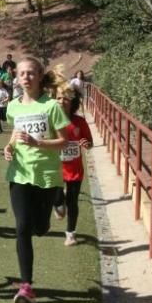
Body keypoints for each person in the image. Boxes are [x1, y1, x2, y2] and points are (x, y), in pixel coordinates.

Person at [3, 58, 69, 303]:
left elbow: (64, 141)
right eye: (22, 74)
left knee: (39, 228)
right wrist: (9, 147)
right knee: (21, 227)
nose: (26, 77)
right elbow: (15, 134)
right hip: (19, 173)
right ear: (17, 78)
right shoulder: (12, 107)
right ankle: (26, 285)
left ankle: (50, 213)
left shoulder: (52, 106)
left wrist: (38, 143)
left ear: (40, 76)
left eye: (31, 73)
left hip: (47, 175)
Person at [55, 87, 94, 246]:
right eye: (58, 98)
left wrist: (86, 144)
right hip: (55, 169)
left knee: (73, 202)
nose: (61, 101)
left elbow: (90, 143)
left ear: (72, 102)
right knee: (56, 198)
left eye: (65, 99)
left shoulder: (80, 122)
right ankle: (58, 202)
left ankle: (70, 233)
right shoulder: (51, 120)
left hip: (75, 170)